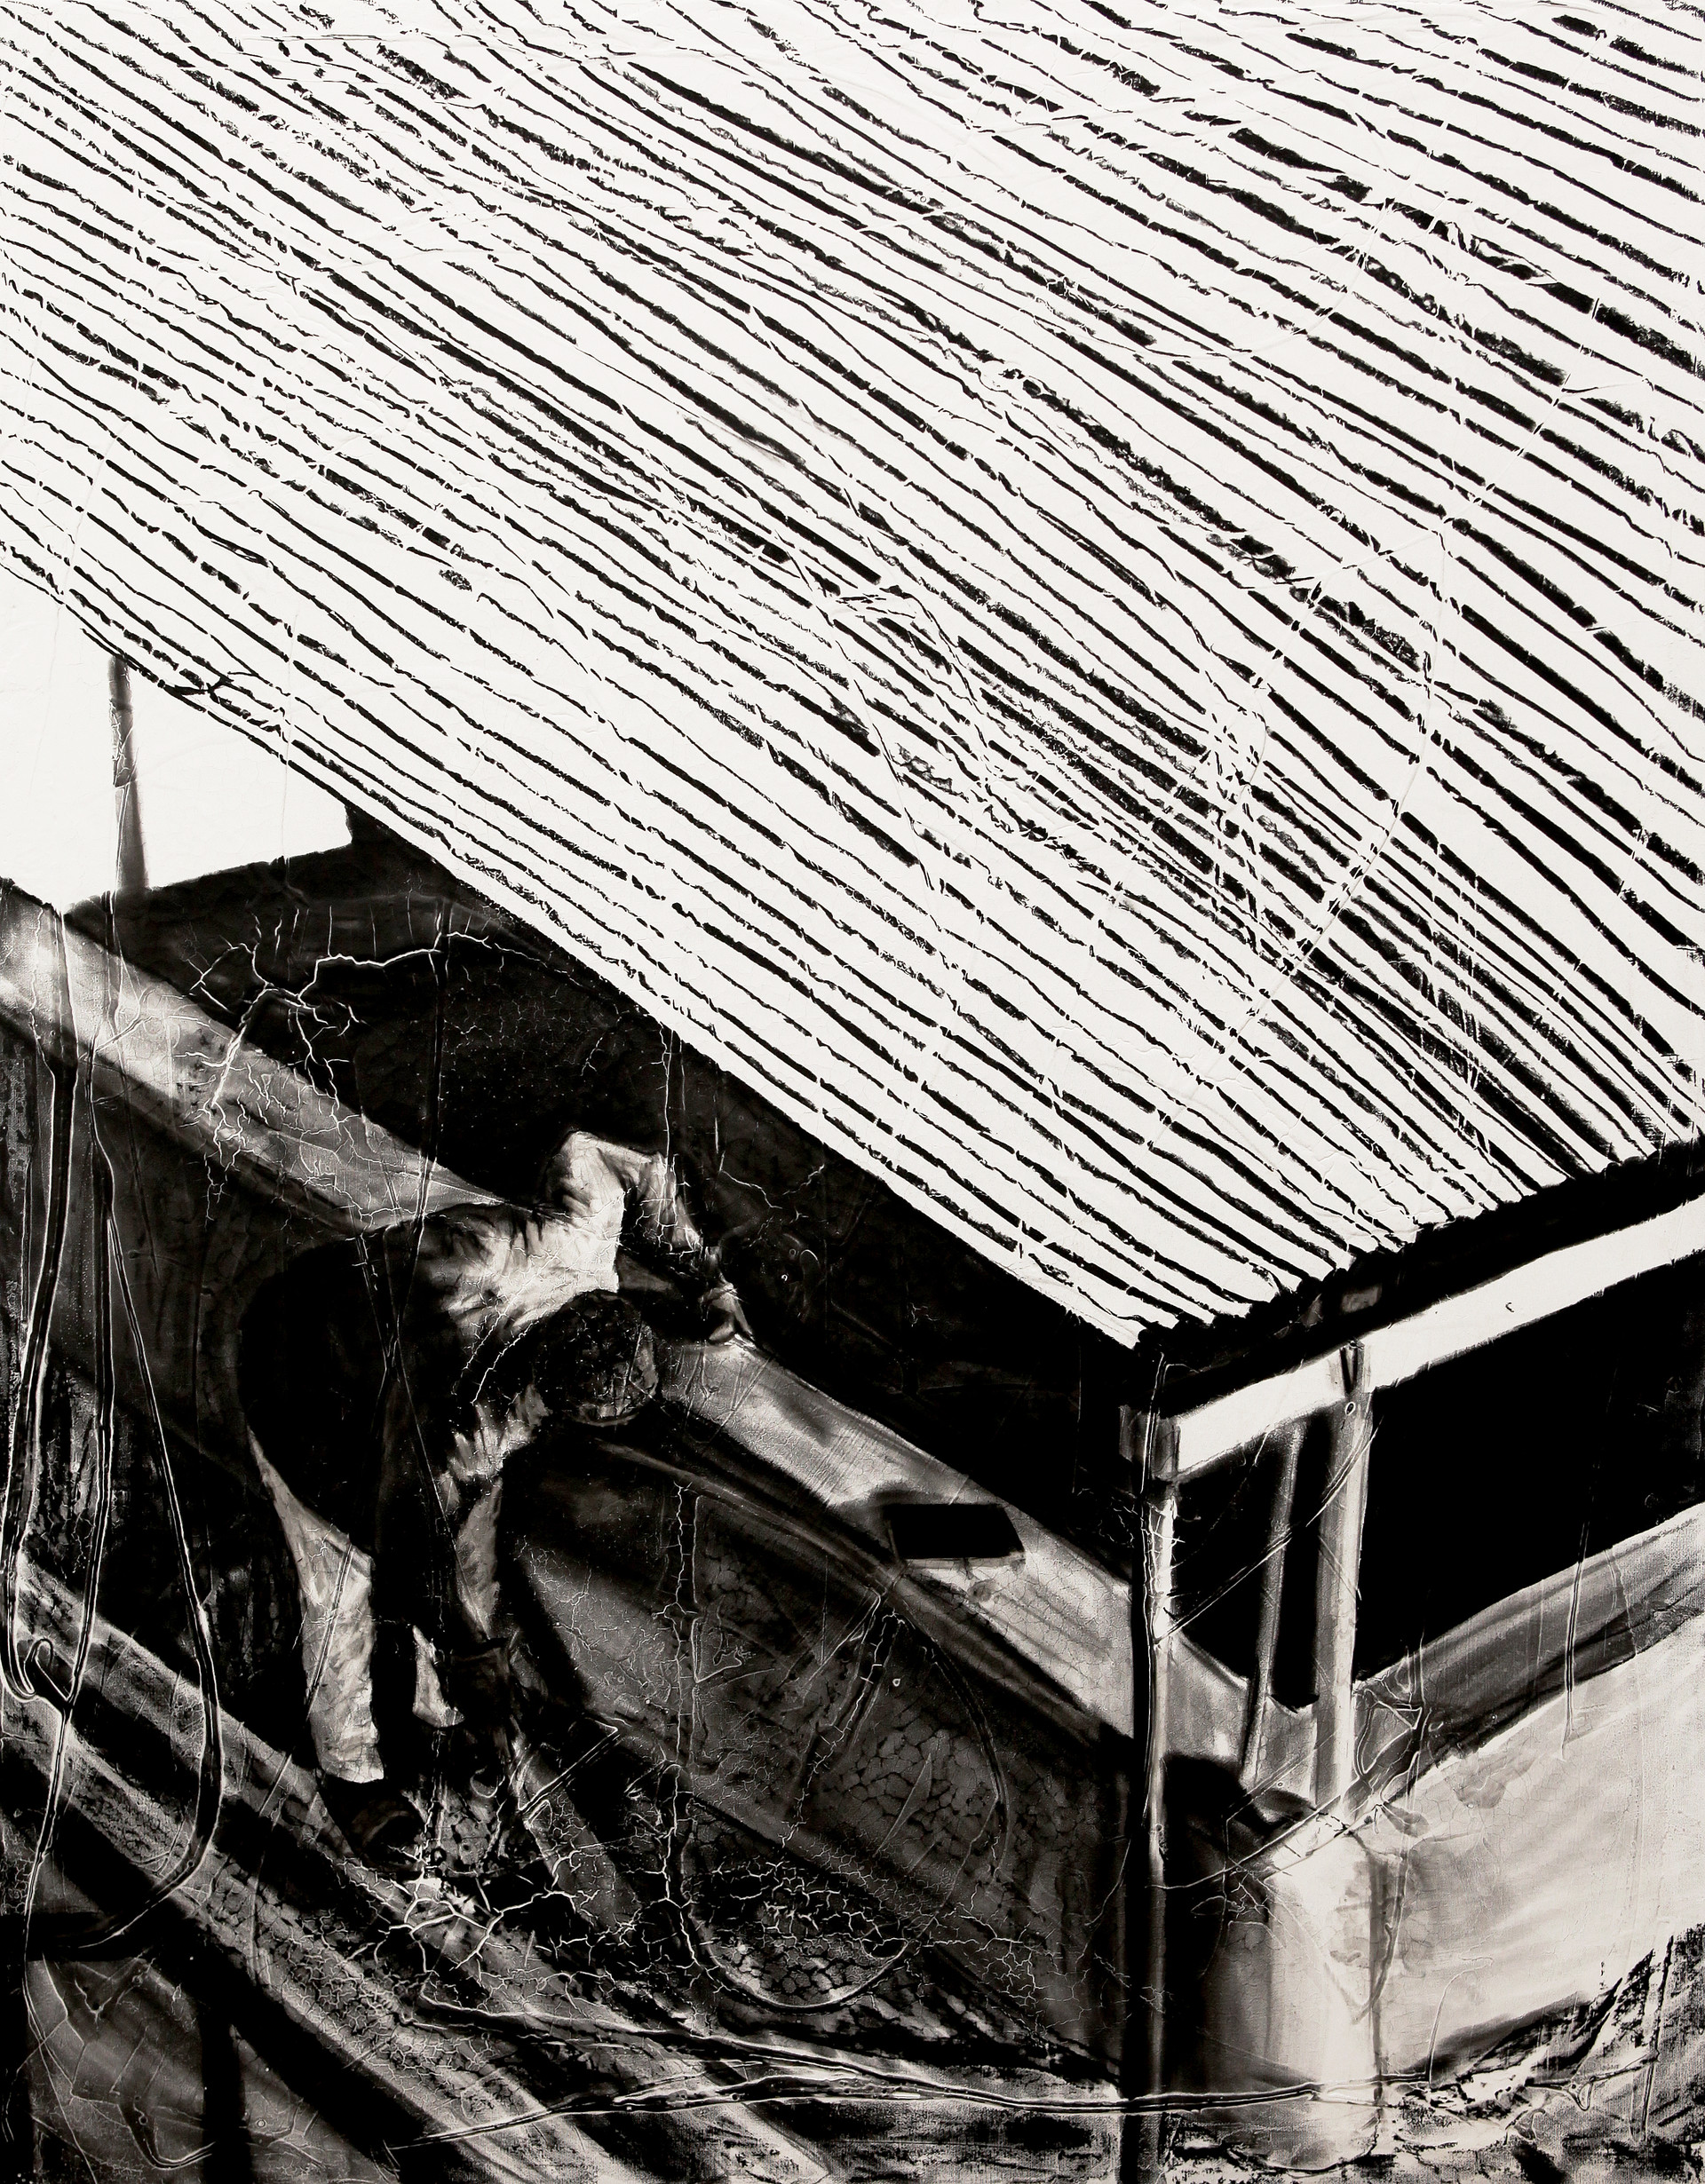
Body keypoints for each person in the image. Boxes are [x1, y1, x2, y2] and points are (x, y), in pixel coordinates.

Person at [238, 1129, 750, 1866]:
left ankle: (444, 1714)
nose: (547, 1429)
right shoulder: (458, 1419)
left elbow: (594, 1153)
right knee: (342, 1581)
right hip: (304, 1372)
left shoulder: (579, 1250)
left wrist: (706, 1274)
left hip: (394, 1344)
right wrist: (473, 1652)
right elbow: (410, 1548)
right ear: (538, 1376)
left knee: (471, 1555)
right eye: (554, 1415)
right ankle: (351, 1774)